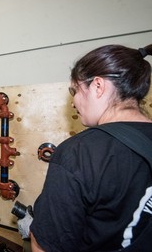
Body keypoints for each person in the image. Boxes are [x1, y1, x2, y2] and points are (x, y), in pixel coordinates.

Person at [23, 44, 152, 252]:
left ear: (98, 86)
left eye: (74, 90)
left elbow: (46, 246)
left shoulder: (77, 153)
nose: (73, 102)